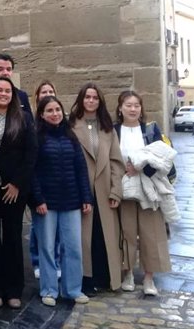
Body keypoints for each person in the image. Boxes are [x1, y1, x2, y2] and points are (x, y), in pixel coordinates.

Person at [0, 76, 37, 309]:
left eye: (8, 91)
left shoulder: (23, 119)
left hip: (13, 190)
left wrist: (17, 183)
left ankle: (14, 289)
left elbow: (31, 154)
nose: (3, 94)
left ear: (13, 95)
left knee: (13, 240)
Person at [31, 96, 92, 307]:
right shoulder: (37, 137)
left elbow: (81, 169)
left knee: (73, 247)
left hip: (71, 201)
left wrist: (86, 197)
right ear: (41, 114)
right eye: (49, 110)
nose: (55, 113)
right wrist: (37, 199)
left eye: (57, 109)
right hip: (46, 203)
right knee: (47, 248)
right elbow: (32, 172)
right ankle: (49, 289)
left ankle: (72, 289)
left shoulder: (70, 136)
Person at [114, 90, 172, 296]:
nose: (132, 109)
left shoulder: (151, 130)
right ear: (120, 108)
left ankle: (149, 278)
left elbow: (163, 159)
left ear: (141, 108)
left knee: (152, 233)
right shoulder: (113, 130)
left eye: (136, 105)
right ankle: (128, 273)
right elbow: (110, 160)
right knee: (126, 232)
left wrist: (141, 168)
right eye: (128, 105)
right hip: (125, 189)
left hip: (149, 188)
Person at [69, 84, 124, 294]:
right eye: (87, 97)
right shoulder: (72, 125)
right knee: (84, 237)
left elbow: (116, 161)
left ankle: (106, 277)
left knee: (104, 235)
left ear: (100, 101)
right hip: (82, 189)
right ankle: (86, 279)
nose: (91, 101)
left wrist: (115, 190)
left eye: (95, 98)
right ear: (81, 99)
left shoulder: (107, 127)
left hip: (104, 189)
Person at [30, 80, 60, 279]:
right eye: (43, 92)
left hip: (58, 186)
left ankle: (55, 262)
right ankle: (37, 261)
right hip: (39, 186)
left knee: (55, 230)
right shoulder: (33, 124)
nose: (47, 94)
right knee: (37, 228)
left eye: (51, 91)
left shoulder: (62, 124)